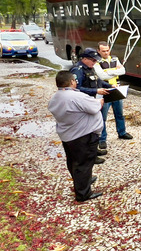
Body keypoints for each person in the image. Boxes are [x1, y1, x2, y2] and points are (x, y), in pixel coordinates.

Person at [48, 71, 104, 202]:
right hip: (83, 135)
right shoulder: (75, 96)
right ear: (72, 81)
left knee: (73, 161)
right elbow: (95, 107)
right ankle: (83, 194)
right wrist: (100, 101)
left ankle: (83, 181)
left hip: (68, 135)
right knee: (84, 163)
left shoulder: (55, 97)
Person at [70, 47, 111, 164]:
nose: (94, 63)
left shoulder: (90, 68)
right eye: (93, 60)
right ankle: (90, 156)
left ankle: (94, 149)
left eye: (95, 61)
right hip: (84, 104)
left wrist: (109, 86)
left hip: (93, 103)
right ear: (84, 59)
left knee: (94, 129)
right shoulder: (78, 70)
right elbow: (76, 89)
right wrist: (96, 91)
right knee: (88, 131)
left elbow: (98, 81)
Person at [93, 41, 132, 151]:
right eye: (103, 51)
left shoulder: (114, 58)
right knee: (103, 117)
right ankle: (102, 139)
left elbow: (123, 71)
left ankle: (122, 132)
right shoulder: (96, 62)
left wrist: (108, 71)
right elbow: (101, 75)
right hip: (105, 90)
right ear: (98, 51)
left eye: (107, 50)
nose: (106, 52)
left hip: (117, 89)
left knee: (119, 113)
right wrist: (115, 70)